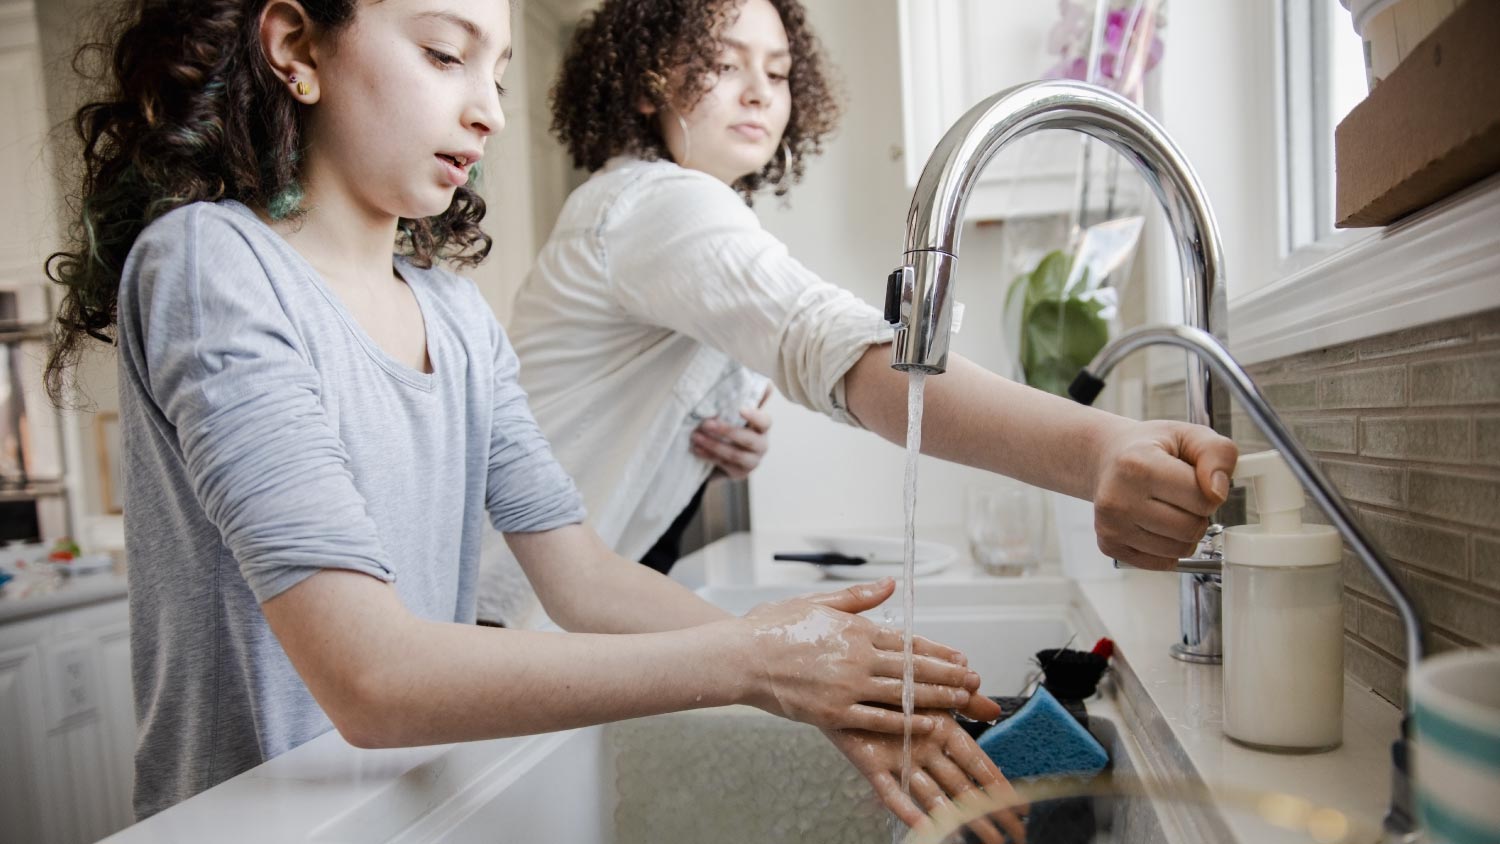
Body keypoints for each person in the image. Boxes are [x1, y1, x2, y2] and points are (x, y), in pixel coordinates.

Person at [43, 0, 1017, 834]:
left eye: (499, 70)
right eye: (442, 53)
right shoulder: (211, 265)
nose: (490, 110)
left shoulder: (456, 317)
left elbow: (584, 577)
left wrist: (812, 678)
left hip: (412, 806)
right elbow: (373, 677)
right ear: (296, 49)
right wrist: (756, 662)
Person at [484, 0, 1240, 661]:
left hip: (541, 615)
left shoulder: (666, 213)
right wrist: (1099, 448)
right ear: (648, 82)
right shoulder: (659, 206)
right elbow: (845, 353)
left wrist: (704, 455)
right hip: (502, 617)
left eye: (778, 72)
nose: (758, 92)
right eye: (721, 63)